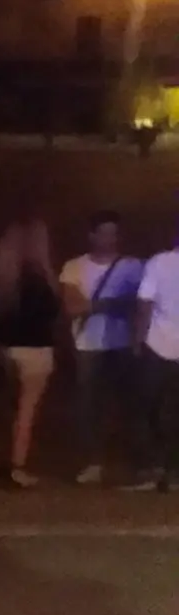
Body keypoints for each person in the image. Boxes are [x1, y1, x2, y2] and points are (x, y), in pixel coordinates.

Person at [59, 211, 144, 485]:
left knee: (130, 405)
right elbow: (72, 307)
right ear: (91, 235)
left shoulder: (135, 266)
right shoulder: (74, 266)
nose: (109, 239)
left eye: (114, 233)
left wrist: (93, 305)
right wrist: (115, 303)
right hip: (88, 346)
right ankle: (93, 462)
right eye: (104, 232)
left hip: (123, 344)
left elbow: (141, 306)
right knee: (89, 406)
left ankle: (134, 463)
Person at [0, 217, 62, 488]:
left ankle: (5, 461)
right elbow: (51, 312)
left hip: (8, 350)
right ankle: (17, 467)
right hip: (36, 351)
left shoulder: (2, 280)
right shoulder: (40, 279)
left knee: (9, 410)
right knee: (27, 412)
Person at [129, 227, 179, 492]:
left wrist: (137, 340)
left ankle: (154, 468)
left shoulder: (159, 262)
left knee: (151, 408)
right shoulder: (159, 262)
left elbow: (144, 304)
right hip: (159, 345)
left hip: (157, 345)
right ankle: (170, 471)